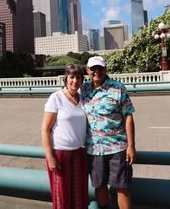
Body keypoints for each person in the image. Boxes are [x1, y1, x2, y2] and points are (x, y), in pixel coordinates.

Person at [81, 56, 136, 209]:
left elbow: (128, 116)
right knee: (100, 186)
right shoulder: (83, 89)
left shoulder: (117, 88)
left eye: (100, 68)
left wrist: (131, 146)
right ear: (87, 71)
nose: (96, 71)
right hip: (94, 149)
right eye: (93, 69)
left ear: (105, 69)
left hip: (118, 148)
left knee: (122, 187)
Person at [41, 63, 88, 209]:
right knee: (62, 197)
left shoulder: (83, 99)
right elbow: (45, 129)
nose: (75, 81)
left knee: (80, 195)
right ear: (66, 79)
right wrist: (51, 158)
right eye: (72, 77)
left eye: (78, 78)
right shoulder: (56, 98)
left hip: (80, 153)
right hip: (60, 154)